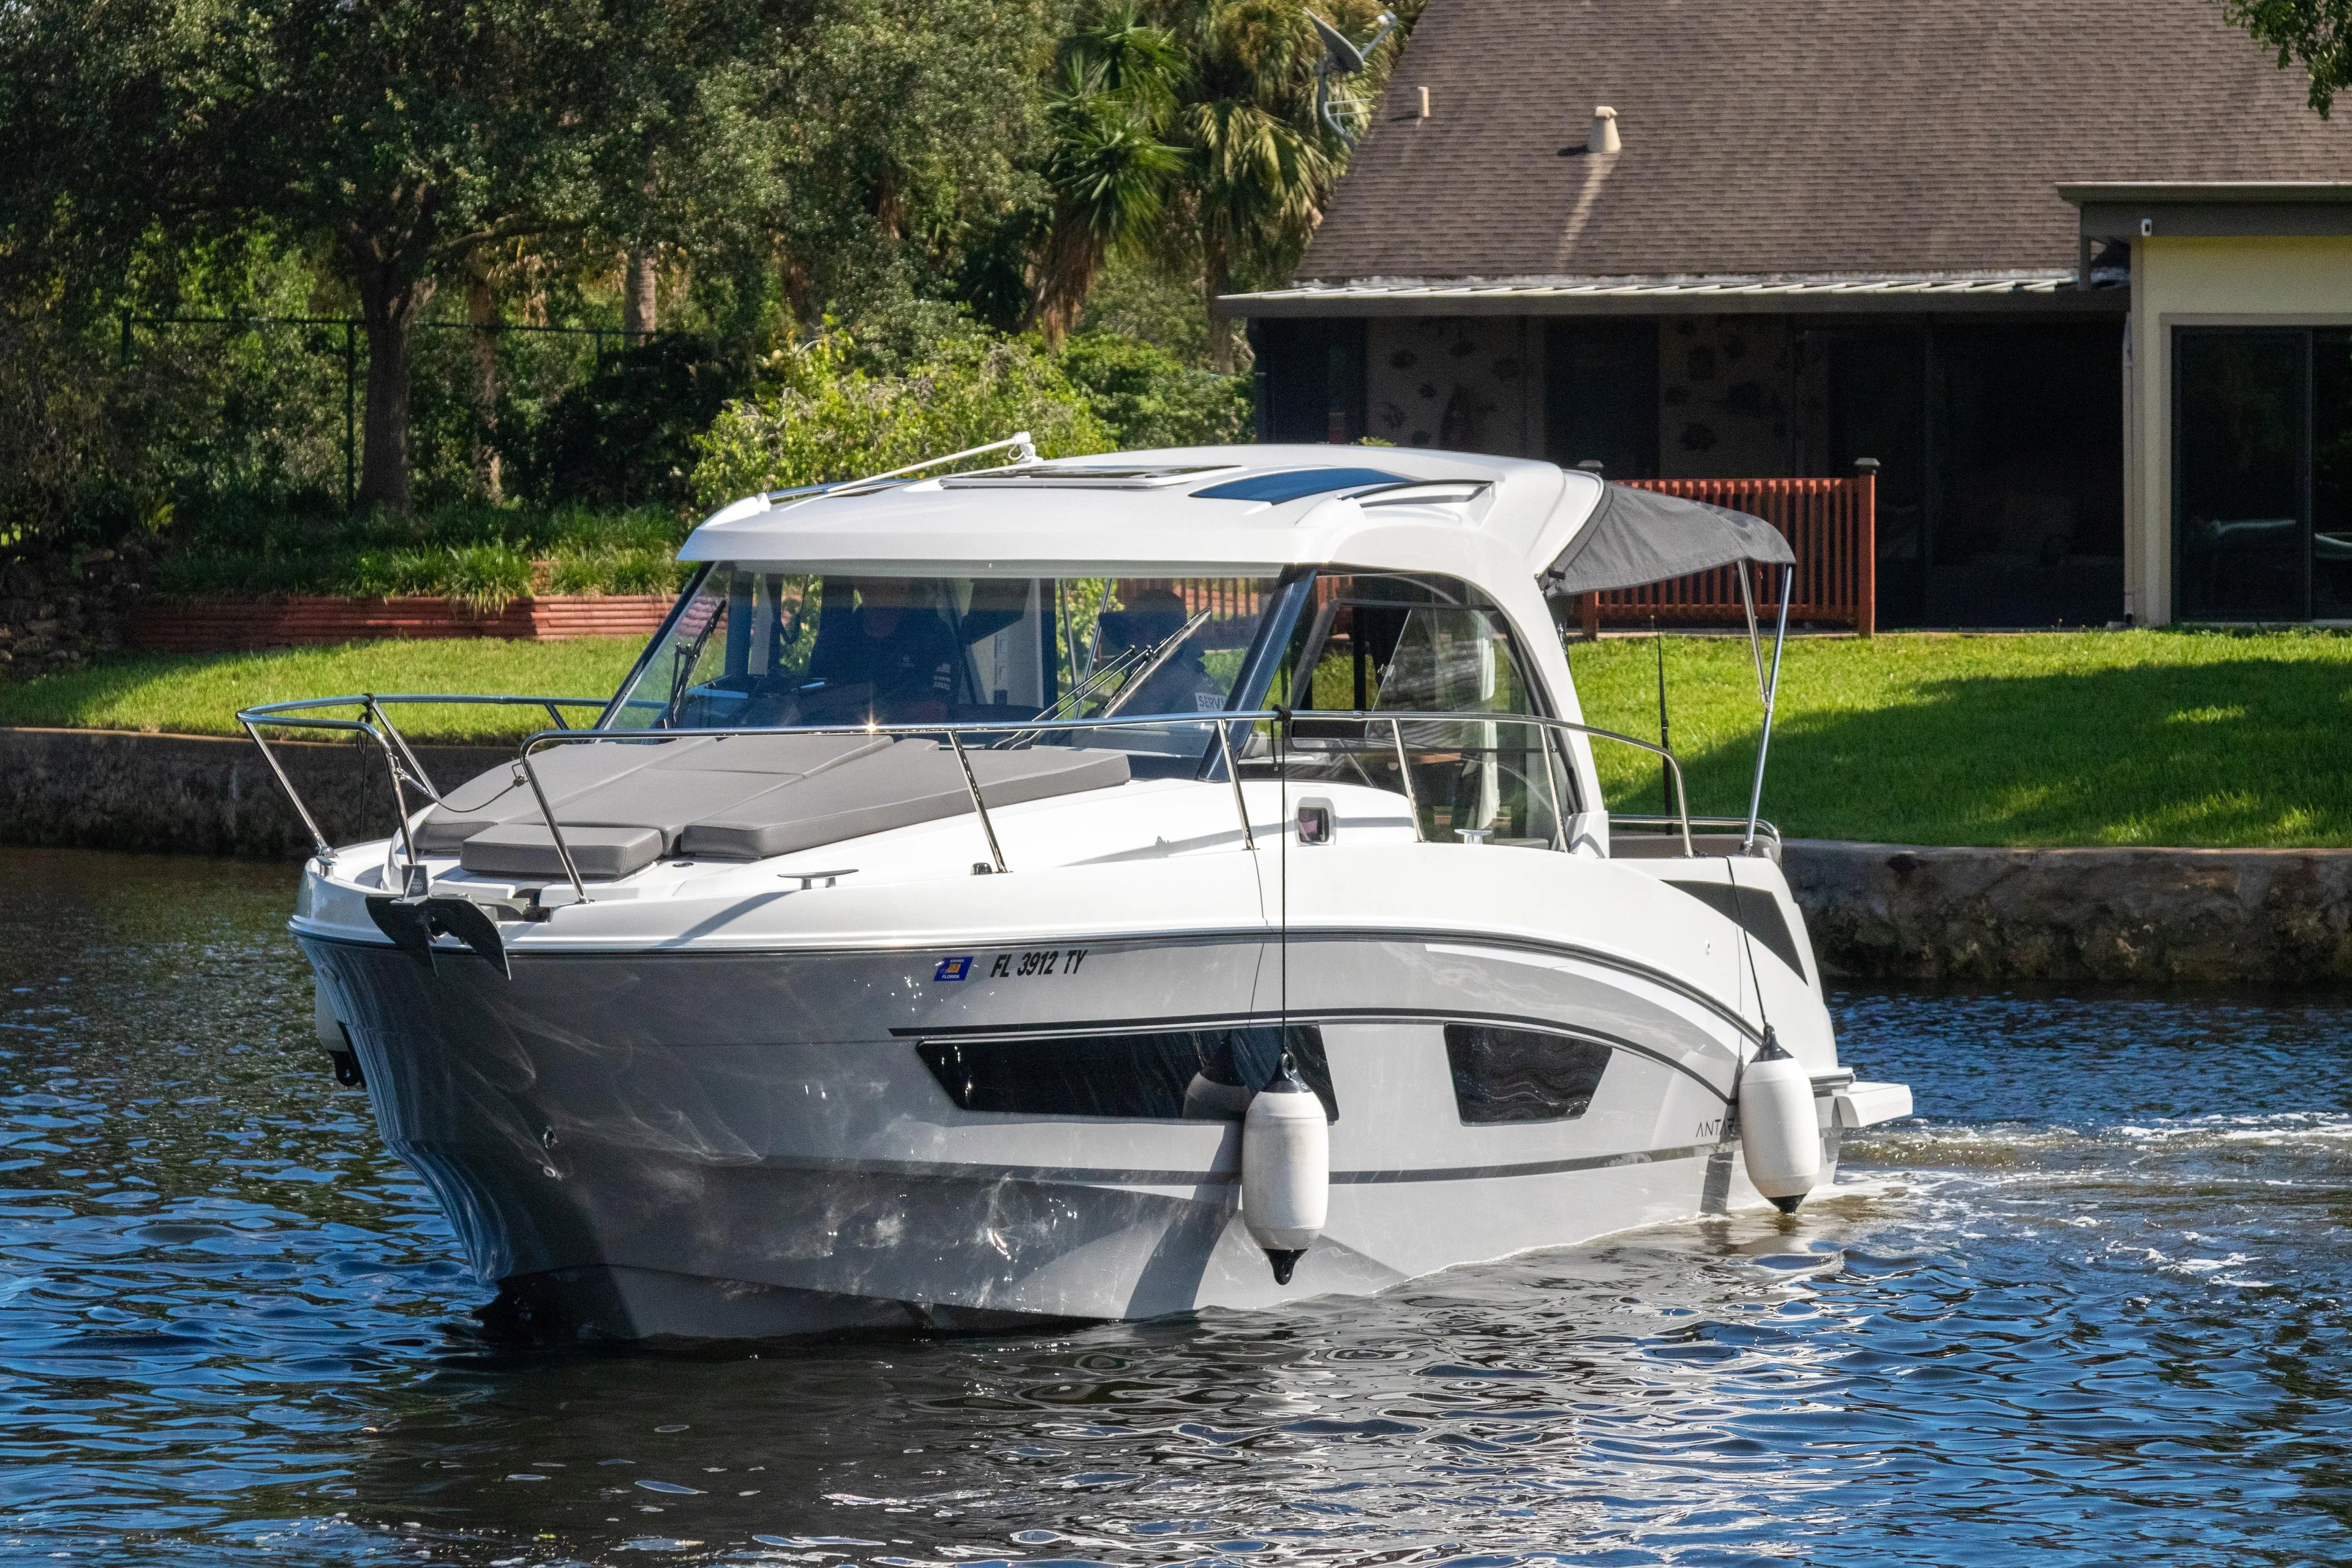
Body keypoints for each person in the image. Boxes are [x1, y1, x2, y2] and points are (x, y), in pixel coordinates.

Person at [809, 578, 961, 723]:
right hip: (839, 747)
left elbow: (933, 714)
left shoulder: (934, 636)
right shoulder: (832, 642)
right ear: (858, 582)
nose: (896, 586)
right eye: (882, 579)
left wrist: (866, 712)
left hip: (920, 747)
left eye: (900, 580)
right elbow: (816, 712)